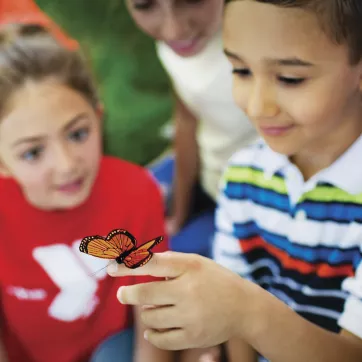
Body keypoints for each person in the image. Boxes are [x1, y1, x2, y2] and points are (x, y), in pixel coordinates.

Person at [107, 0, 362, 361]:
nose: (257, 106)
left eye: (290, 78)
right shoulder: (244, 173)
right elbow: (235, 315)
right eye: (240, 71)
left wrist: (246, 311)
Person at [0, 23, 173, 362]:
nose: (67, 165)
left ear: (98, 116)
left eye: (78, 134)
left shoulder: (137, 191)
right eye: (33, 153)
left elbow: (150, 314)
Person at [125, 0, 258, 258]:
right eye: (144, 5)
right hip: (213, 179)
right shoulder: (177, 46)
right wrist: (179, 212)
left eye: (191, 0)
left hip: (261, 204)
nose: (174, 30)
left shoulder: (264, 46)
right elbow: (186, 118)